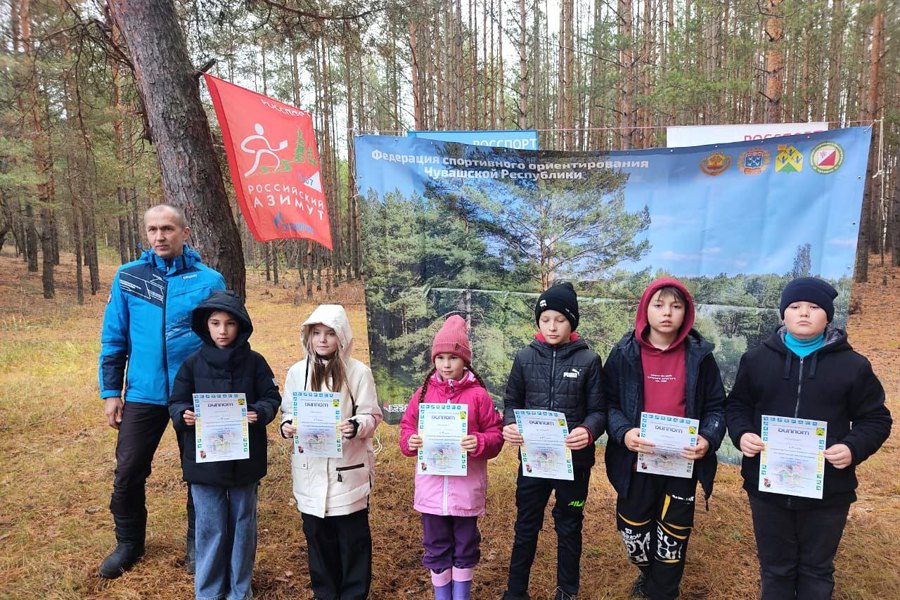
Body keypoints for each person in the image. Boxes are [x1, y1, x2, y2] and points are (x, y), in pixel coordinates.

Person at [726, 277, 891, 600]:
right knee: (775, 568)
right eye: (795, 306)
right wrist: (742, 433)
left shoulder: (853, 366)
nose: (804, 313)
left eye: (814, 307)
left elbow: (876, 418)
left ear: (828, 316)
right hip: (767, 487)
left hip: (829, 491)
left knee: (817, 569)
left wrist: (852, 447)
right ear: (783, 315)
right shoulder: (757, 360)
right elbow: (737, 405)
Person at [98, 204, 225, 578]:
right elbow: (113, 337)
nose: (159, 237)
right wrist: (110, 392)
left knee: (201, 473)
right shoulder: (128, 278)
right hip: (143, 393)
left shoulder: (208, 280)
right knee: (129, 471)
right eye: (152, 230)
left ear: (185, 233)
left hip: (196, 396)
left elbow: (223, 340)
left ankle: (197, 544)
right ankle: (129, 542)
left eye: (167, 229)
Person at [603, 278, 726, 600]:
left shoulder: (701, 356)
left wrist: (708, 438)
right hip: (635, 463)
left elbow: (716, 407)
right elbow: (608, 404)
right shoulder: (623, 353)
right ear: (646, 309)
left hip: (681, 464)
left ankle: (662, 590)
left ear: (687, 312)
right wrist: (623, 432)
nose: (667, 313)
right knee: (634, 535)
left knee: (673, 537)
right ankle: (649, 573)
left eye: (676, 305)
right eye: (659, 305)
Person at [168, 290, 280, 600]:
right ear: (205, 326)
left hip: (245, 461)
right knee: (210, 527)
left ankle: (239, 589)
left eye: (230, 323)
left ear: (241, 326)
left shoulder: (256, 363)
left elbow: (271, 398)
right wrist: (182, 414)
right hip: (204, 463)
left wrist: (260, 411)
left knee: (243, 525)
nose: (222, 330)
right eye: (215, 323)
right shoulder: (192, 364)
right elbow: (176, 400)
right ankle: (208, 591)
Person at [500, 282, 606, 600]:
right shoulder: (524, 357)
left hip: (574, 464)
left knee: (570, 525)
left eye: (559, 319)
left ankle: (566, 592)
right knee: (526, 525)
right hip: (533, 460)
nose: (551, 326)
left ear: (571, 321)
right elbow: (511, 402)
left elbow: (599, 411)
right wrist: (510, 425)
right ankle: (516, 591)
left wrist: (587, 431)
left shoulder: (589, 360)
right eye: (545, 319)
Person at [279, 304, 383, 600]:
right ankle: (325, 594)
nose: (322, 340)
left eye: (330, 333)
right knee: (318, 541)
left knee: (353, 542)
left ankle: (353, 595)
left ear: (342, 337)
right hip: (309, 473)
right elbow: (288, 411)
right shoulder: (297, 372)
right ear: (308, 336)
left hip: (347, 473)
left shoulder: (358, 372)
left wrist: (355, 426)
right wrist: (287, 426)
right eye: (316, 333)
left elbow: (372, 415)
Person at [399, 316, 504, 600]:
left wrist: (480, 441)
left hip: (465, 490)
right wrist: (411, 441)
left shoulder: (479, 396)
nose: (446, 364)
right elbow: (407, 427)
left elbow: (496, 435)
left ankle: (462, 595)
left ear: (465, 360)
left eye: (453, 358)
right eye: (441, 357)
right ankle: (442, 595)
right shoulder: (422, 394)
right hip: (431, 489)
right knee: (435, 544)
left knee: (465, 544)